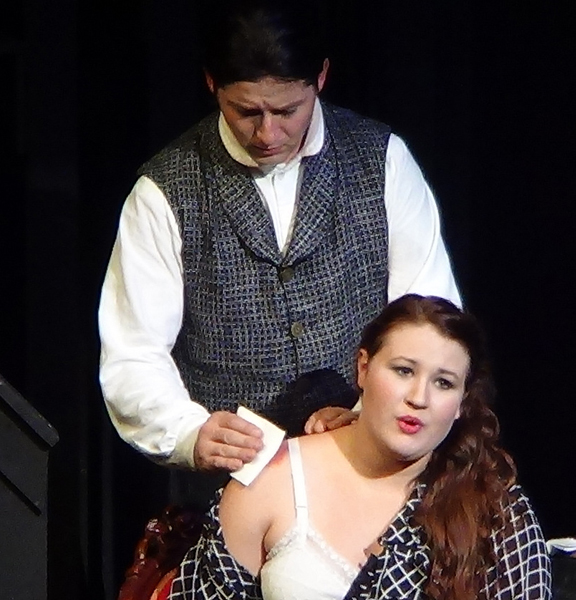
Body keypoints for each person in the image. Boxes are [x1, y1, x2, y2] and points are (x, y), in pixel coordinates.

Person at [98, 0, 461, 498]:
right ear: (211, 84)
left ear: (321, 78)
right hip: (234, 494)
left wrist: (367, 414)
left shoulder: (381, 161)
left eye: (288, 110)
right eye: (246, 111)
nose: (268, 133)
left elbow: (430, 321)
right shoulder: (165, 190)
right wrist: (188, 432)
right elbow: (133, 353)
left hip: (374, 476)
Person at [167, 295, 551, 600]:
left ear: (462, 402)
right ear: (363, 368)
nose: (419, 398)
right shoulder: (272, 482)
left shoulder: (495, 510)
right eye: (403, 371)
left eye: (444, 383)